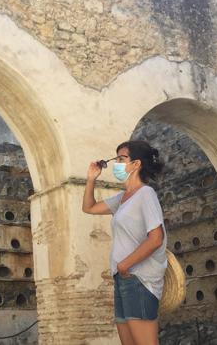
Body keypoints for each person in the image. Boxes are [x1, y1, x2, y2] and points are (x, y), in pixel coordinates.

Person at [82, 140, 167, 345]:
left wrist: (125, 264)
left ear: (136, 164)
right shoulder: (122, 198)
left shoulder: (145, 194)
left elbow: (156, 238)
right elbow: (89, 208)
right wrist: (91, 179)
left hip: (139, 279)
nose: (117, 164)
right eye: (116, 159)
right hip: (123, 278)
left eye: (121, 159)